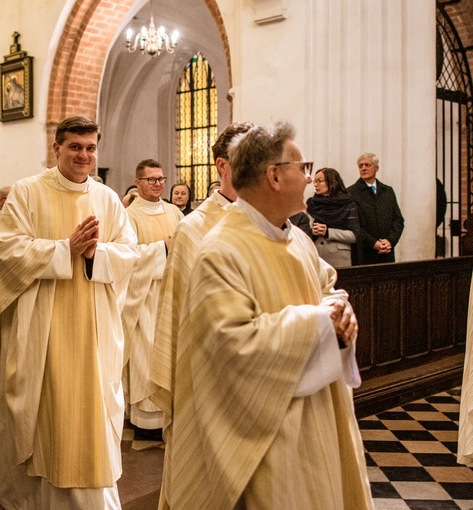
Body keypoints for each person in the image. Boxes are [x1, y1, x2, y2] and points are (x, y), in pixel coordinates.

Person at [166, 121, 370, 509]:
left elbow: (328, 293)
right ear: (274, 176)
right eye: (302, 167)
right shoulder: (221, 250)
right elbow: (231, 345)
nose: (310, 178)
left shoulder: (298, 240)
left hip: (317, 414)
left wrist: (342, 315)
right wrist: (319, 322)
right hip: (266, 433)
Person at [0, 116, 139, 509]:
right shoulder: (27, 192)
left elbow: (131, 254)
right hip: (40, 327)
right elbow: (6, 251)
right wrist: (64, 249)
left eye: (91, 147)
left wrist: (97, 253)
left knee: (90, 415)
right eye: (75, 146)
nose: (84, 155)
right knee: (39, 412)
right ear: (56, 148)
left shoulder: (108, 199)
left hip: (94, 328)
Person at [149, 121, 254, 509]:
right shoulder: (195, 228)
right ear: (222, 166)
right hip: (210, 379)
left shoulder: (271, 219)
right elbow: (183, 314)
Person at [123, 159, 183, 437]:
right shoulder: (129, 216)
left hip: (171, 291)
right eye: (151, 180)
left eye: (161, 179)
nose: (158, 184)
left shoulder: (174, 212)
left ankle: (171, 412)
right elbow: (127, 256)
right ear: (138, 183)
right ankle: (147, 420)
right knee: (146, 352)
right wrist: (162, 248)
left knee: (171, 351)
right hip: (144, 295)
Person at [347, 153, 404, 264]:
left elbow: (398, 220)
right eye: (360, 166)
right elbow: (353, 224)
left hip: (387, 252)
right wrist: (374, 243)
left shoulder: (387, 191)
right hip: (364, 253)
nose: (363, 168)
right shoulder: (351, 192)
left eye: (367, 165)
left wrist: (390, 241)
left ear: (376, 168)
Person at [306, 167, 360, 267]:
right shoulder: (312, 204)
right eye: (315, 181)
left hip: (339, 258)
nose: (316, 184)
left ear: (331, 182)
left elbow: (354, 235)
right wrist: (312, 231)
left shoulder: (347, 203)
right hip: (316, 256)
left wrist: (328, 232)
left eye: (319, 181)